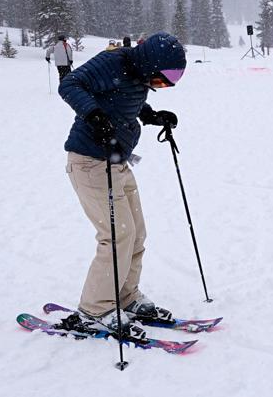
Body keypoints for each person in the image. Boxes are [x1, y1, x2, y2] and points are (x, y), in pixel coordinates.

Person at [55, 31, 187, 338]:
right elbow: (69, 83)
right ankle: (95, 310)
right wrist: (95, 116)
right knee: (118, 235)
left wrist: (152, 115)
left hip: (117, 160)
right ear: (151, 64)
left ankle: (126, 296)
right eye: (162, 79)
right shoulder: (113, 63)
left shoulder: (139, 74)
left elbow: (124, 98)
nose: (162, 86)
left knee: (136, 233)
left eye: (168, 83)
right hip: (89, 161)